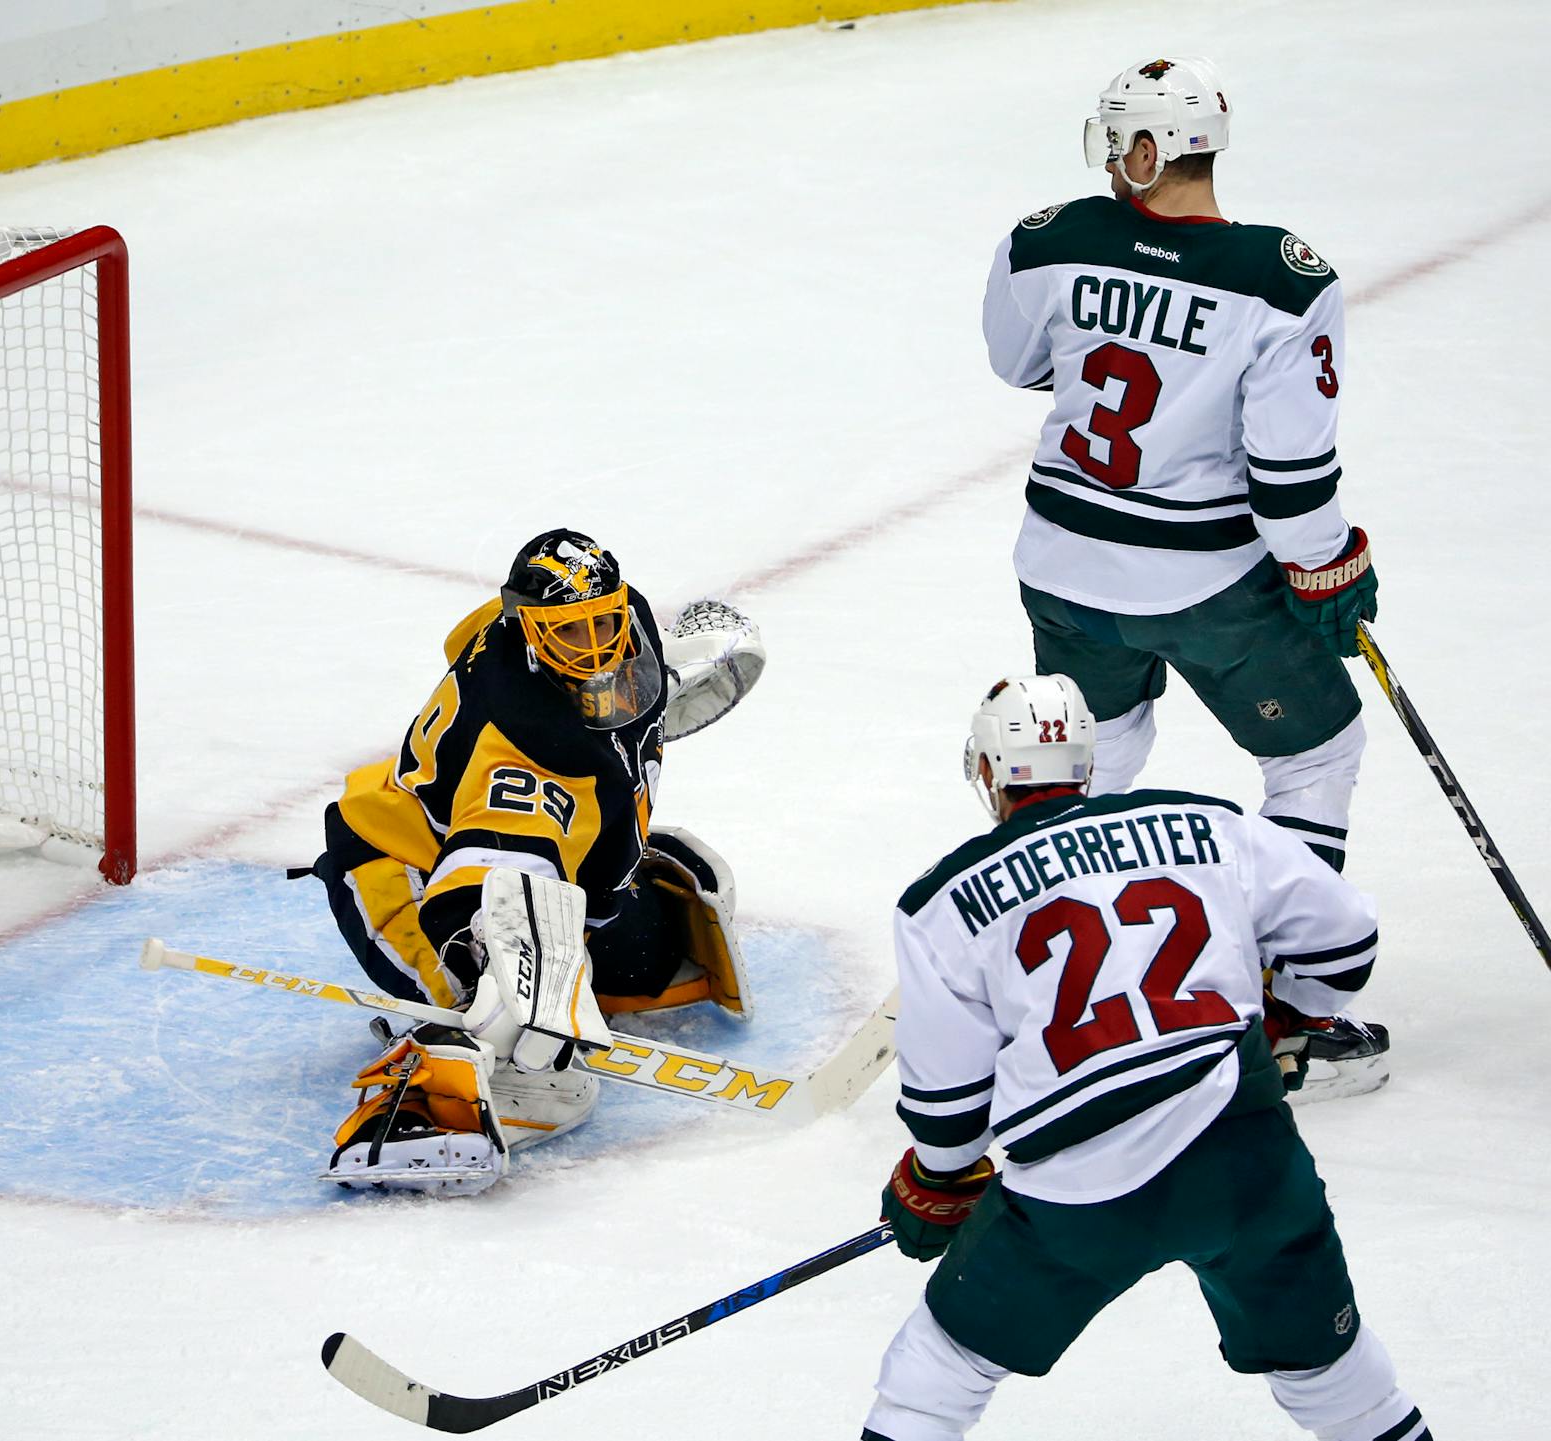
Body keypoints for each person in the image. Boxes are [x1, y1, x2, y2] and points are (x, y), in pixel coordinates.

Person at [860, 675, 1429, 1441]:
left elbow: (950, 1107)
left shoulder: (942, 901)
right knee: (1341, 1384)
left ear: (988, 770)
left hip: (1080, 1193)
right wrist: (1287, 1017)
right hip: (1248, 1160)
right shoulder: (1207, 823)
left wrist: (936, 1177)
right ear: (1088, 762)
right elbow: (1346, 936)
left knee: (934, 1378)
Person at [981, 56, 1387, 1091]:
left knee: (1092, 762)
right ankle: (1296, 1009)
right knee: (1317, 751)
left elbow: (1018, 363)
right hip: (1206, 587)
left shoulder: (1048, 241)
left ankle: (1055, 989)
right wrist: (1328, 566)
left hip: (1062, 570)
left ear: (1146, 149)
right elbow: (1289, 481)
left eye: (1119, 139)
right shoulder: (1282, 281)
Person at [302, 528, 764, 1196]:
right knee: (508, 1034)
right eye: (569, 631)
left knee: (650, 962)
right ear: (529, 629)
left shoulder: (621, 630)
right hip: (403, 867)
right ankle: (423, 1101)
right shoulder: (522, 736)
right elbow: (484, 877)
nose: (594, 646)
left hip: (542, 849)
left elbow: (480, 639)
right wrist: (504, 976)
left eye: (600, 623)